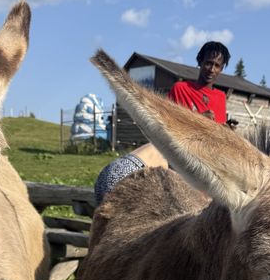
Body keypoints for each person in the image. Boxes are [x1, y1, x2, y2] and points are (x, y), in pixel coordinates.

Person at [94, 42, 234, 206]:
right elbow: (164, 126)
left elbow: (215, 137)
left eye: (217, 65)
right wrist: (198, 119)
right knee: (113, 177)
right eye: (208, 63)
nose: (212, 69)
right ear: (200, 61)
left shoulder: (220, 97)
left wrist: (225, 130)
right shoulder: (180, 88)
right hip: (174, 155)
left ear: (222, 68)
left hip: (204, 164)